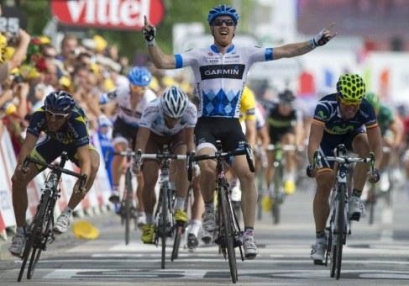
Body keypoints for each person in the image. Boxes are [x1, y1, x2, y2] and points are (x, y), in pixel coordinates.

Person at [142, 4, 336, 259]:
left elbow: (286, 51)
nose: (224, 26)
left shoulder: (246, 53)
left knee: (247, 175)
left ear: (234, 29)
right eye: (219, 22)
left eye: (229, 23)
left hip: (232, 125)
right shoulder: (199, 55)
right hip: (207, 124)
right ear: (212, 28)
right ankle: (209, 210)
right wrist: (151, 40)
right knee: (208, 167)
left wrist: (314, 42)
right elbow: (163, 61)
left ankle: (249, 235)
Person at [9, 91, 100, 257]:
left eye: (58, 117)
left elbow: (85, 160)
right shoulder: (39, 115)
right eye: (50, 114)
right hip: (52, 145)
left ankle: (67, 213)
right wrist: (21, 167)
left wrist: (82, 183)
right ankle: (20, 232)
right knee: (17, 179)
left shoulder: (76, 121)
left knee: (94, 164)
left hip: (75, 148)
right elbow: (28, 146)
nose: (52, 119)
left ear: (67, 116)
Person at [306, 74, 383, 264]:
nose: (352, 108)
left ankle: (356, 198)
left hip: (351, 136)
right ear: (339, 98)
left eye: (355, 103)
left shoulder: (365, 108)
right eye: (348, 103)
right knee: (325, 181)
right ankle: (320, 240)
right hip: (326, 140)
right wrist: (313, 164)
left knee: (365, 146)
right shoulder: (325, 107)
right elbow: (313, 142)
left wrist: (375, 168)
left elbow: (377, 144)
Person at [134, 86, 197, 244]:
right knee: (149, 179)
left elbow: (190, 141)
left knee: (183, 161)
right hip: (153, 138)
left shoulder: (190, 110)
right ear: (163, 109)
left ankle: (180, 208)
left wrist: (193, 160)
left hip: (178, 136)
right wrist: (137, 159)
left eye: (177, 118)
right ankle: (149, 223)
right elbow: (141, 138)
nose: (173, 121)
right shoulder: (152, 108)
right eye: (169, 117)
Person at [105, 66, 157, 226]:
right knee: (119, 151)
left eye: (142, 88)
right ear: (129, 85)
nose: (138, 91)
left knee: (141, 175)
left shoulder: (150, 99)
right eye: (135, 87)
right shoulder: (120, 91)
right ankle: (115, 188)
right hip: (123, 126)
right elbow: (100, 99)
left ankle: (141, 212)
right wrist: (102, 115)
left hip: (142, 130)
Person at [265, 89, 304, 195]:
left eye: (289, 105)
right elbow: (264, 128)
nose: (286, 108)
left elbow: (299, 129)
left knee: (290, 140)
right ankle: (269, 189)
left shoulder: (296, 111)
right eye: (284, 104)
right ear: (279, 103)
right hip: (272, 134)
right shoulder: (271, 109)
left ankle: (289, 177)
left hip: (286, 134)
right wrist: (265, 142)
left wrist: (297, 144)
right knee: (270, 161)